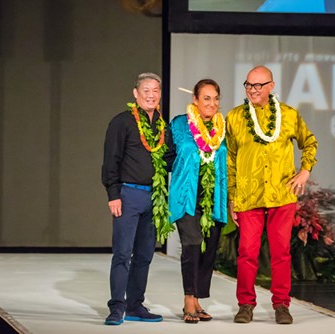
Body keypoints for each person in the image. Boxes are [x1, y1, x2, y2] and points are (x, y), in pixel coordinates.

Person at [226, 66, 318, 325]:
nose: (252, 90)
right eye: (248, 85)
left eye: (258, 85)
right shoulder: (234, 117)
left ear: (270, 86)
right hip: (248, 196)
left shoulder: (288, 115)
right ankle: (245, 304)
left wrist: (304, 172)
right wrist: (232, 197)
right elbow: (230, 160)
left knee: (281, 254)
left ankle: (281, 305)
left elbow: (309, 142)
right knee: (246, 253)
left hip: (281, 195)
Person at [101, 72, 174, 325]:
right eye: (146, 90)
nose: (151, 95)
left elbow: (169, 159)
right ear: (135, 93)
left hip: (154, 197)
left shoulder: (163, 127)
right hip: (128, 195)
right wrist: (113, 194)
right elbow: (111, 160)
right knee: (122, 253)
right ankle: (116, 307)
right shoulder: (122, 122)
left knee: (144, 254)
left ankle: (135, 305)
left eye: (155, 91)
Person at [168, 79, 227, 323]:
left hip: (213, 198)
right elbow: (168, 157)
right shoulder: (180, 124)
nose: (211, 103)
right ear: (195, 99)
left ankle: (199, 299)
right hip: (186, 195)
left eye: (215, 98)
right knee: (192, 244)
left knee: (209, 249)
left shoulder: (222, 128)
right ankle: (188, 299)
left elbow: (226, 163)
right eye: (206, 98)